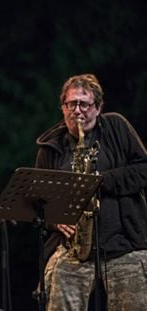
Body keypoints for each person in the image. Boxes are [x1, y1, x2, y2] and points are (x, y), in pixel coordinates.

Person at [35, 73, 147, 310]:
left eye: (84, 104)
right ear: (63, 108)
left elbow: (143, 169)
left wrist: (98, 181)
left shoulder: (116, 126)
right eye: (71, 104)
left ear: (97, 108)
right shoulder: (50, 148)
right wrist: (54, 219)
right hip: (73, 249)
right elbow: (38, 200)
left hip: (124, 246)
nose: (77, 111)